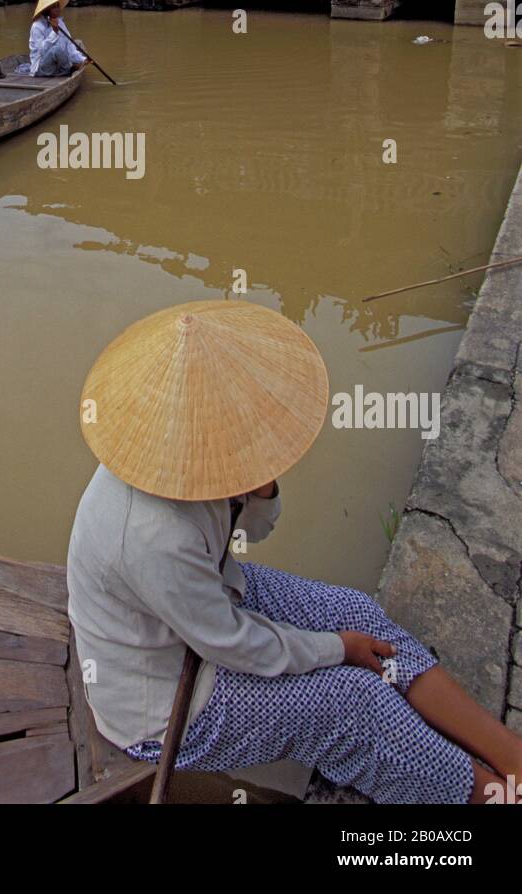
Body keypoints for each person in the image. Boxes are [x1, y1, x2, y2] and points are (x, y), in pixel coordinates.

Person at [67, 300, 522, 804]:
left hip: (207, 598)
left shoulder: (198, 451)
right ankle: (491, 796)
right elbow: (233, 644)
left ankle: (511, 757)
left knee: (359, 613)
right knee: (355, 703)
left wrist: (258, 484)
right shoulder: (150, 537)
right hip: (165, 700)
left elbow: (253, 531)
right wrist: (337, 650)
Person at [27, 0, 86, 77]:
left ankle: (69, 65)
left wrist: (83, 59)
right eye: (54, 7)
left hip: (58, 64)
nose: (58, 9)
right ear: (46, 10)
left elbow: (69, 44)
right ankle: (67, 70)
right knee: (57, 49)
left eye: (58, 6)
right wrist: (54, 32)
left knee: (77, 42)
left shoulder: (60, 23)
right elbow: (41, 51)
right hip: (42, 68)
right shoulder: (37, 26)